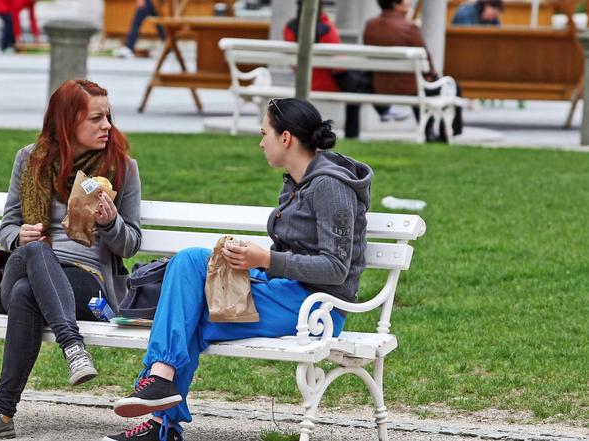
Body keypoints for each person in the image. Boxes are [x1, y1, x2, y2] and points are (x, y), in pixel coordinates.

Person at [103, 97, 372, 441]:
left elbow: (336, 269)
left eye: (265, 134)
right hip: (283, 291)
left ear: (286, 138)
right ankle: (159, 387)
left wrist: (265, 260)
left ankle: (161, 422)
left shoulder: (330, 186)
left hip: (316, 308)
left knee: (193, 316)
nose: (261, 142)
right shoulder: (296, 181)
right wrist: (250, 259)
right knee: (189, 260)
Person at [0, 79, 143, 440]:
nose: (107, 126)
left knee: (25, 294)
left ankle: (1, 414)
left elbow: (131, 245)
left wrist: (111, 222)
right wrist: (17, 236)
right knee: (36, 250)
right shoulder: (30, 159)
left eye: (109, 117)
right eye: (96, 118)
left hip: (88, 285)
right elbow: (8, 224)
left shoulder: (122, 168)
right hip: (25, 261)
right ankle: (73, 345)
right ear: (68, 121)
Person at [283, 1, 406, 140]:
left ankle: (383, 111)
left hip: (305, 80)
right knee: (358, 85)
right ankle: (360, 128)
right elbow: (338, 64)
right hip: (327, 81)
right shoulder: (326, 29)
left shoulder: (289, 28)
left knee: (357, 82)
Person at [364, 0, 463, 142]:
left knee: (419, 84)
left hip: (379, 85)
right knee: (451, 86)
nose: (409, 2)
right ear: (395, 4)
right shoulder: (409, 28)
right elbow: (426, 62)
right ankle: (446, 134)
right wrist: (433, 75)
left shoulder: (370, 25)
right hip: (410, 87)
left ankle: (429, 132)